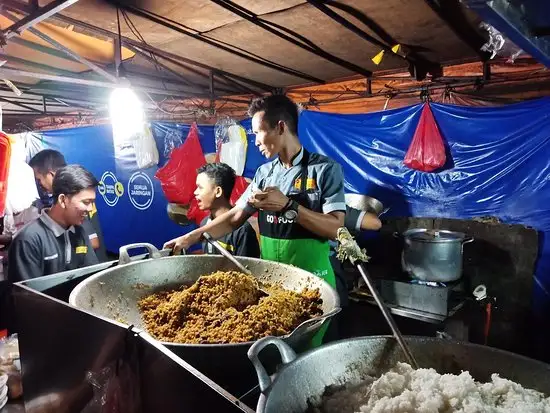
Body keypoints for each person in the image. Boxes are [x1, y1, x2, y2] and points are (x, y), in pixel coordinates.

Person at [164, 95, 346, 345]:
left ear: (280, 127)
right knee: (276, 353)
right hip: (274, 287)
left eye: (258, 132)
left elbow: (336, 227)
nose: (256, 141)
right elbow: (236, 216)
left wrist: (289, 206)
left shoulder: (325, 169)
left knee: (309, 353)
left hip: (313, 285)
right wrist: (191, 236)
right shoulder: (264, 173)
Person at [7, 165, 100, 282]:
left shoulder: (79, 232)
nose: (91, 208)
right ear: (62, 200)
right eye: (86, 202)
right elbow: (26, 295)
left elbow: (91, 277)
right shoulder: (29, 240)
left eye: (92, 202)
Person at [28, 149, 107, 262]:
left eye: (39, 179)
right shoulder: (29, 236)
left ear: (51, 175)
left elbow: (93, 242)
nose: (39, 184)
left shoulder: (73, 198)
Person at [195, 163, 260, 257]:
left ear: (218, 192)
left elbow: (248, 268)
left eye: (200, 188)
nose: (195, 192)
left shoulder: (242, 230)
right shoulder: (205, 224)